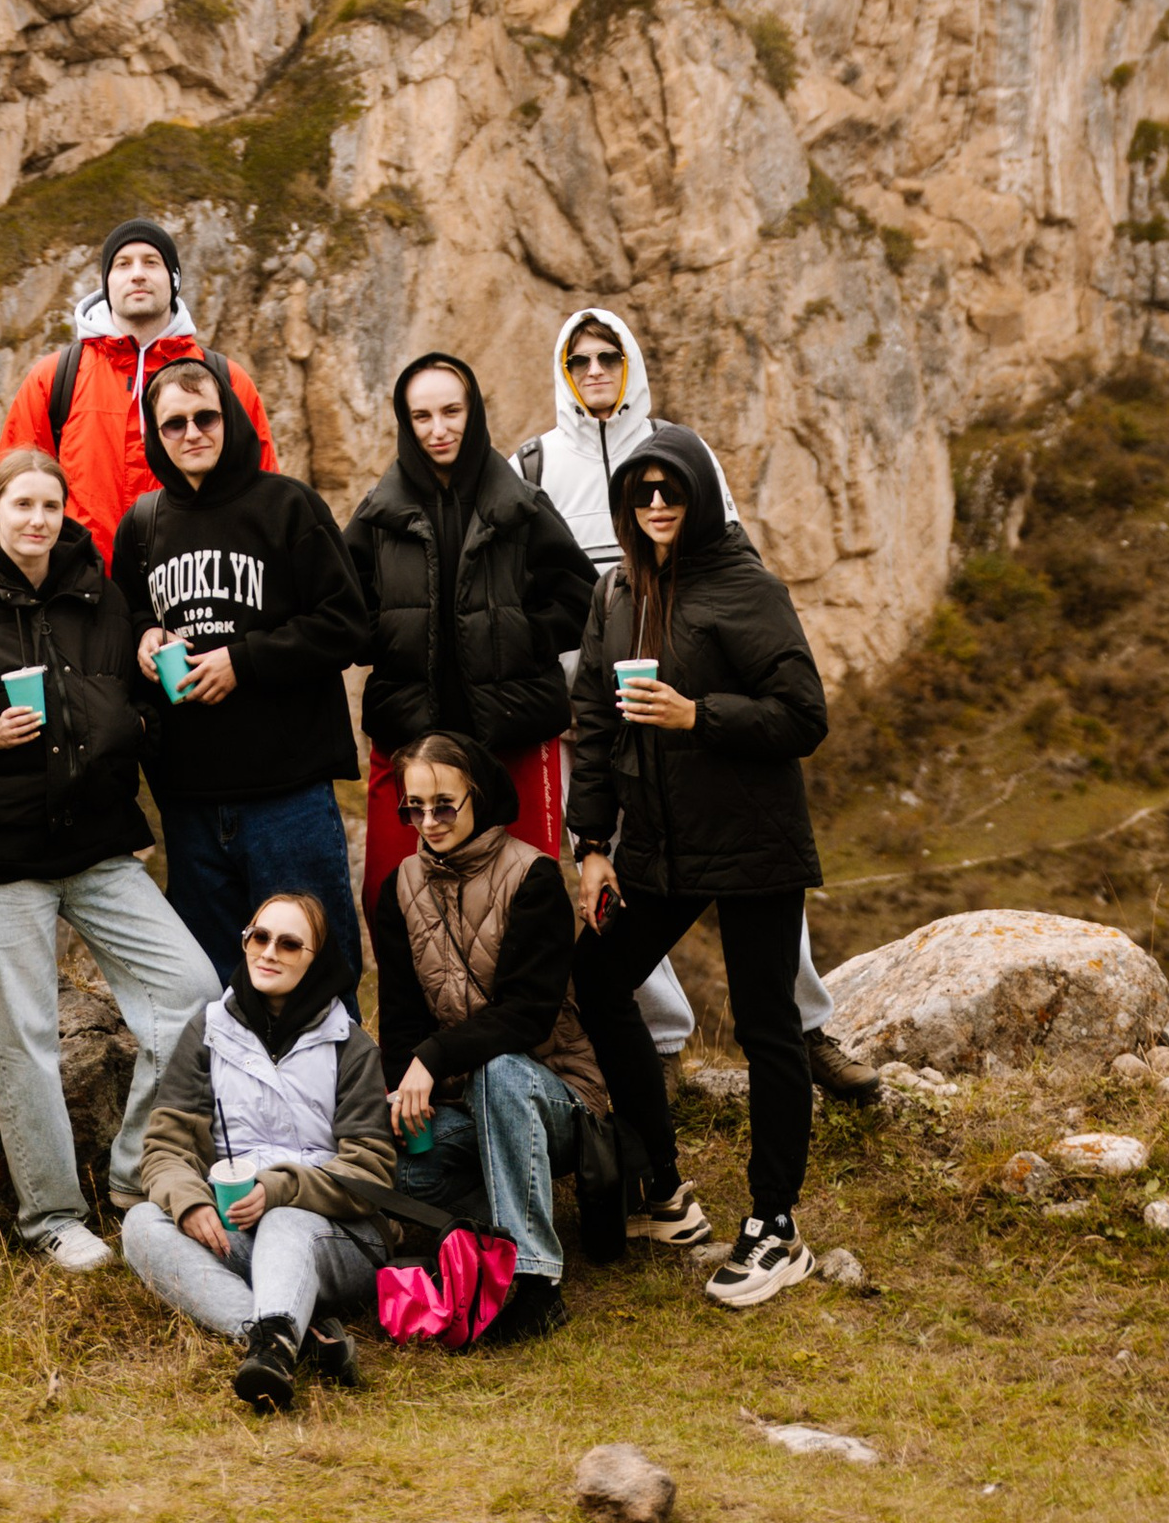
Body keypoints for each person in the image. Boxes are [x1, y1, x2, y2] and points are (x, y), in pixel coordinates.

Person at [521, 305, 877, 1105]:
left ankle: (806, 1028)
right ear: (561, 371)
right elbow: (520, 587)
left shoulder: (680, 451)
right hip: (601, 705)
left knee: (757, 866)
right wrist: (571, 676)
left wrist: (711, 687)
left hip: (693, 698)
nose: (595, 373)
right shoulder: (536, 466)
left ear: (632, 361)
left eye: (608, 356)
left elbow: (737, 567)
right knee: (615, 874)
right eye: (578, 362)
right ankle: (664, 1048)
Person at [0, 444, 217, 1267]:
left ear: (65, 513)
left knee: (192, 992)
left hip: (96, 844)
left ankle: (129, 1176)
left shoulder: (102, 597)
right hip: (3, 858)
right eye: (23, 506)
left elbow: (136, 691)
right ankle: (52, 1219)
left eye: (51, 507)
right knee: (26, 1039)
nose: (38, 521)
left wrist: (144, 717)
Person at [568, 426, 830, 1311]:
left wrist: (697, 716)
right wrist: (592, 844)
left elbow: (802, 713)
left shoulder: (744, 586)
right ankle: (665, 1191)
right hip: (658, 844)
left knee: (767, 1028)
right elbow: (594, 726)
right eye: (640, 494)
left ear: (700, 495)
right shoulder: (617, 592)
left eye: (669, 491)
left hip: (752, 839)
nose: (655, 507)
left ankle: (775, 1227)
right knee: (598, 979)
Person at [111, 358, 366, 980]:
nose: (192, 433)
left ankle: (336, 1082)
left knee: (318, 972)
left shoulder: (288, 506)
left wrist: (244, 662)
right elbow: (122, 627)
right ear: (155, 434)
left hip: (289, 796)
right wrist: (142, 637)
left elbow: (348, 626)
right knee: (217, 984)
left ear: (230, 419)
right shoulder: (141, 527)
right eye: (174, 424)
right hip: (191, 801)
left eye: (206, 417)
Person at [371, 732, 610, 1347]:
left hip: (555, 1097)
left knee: (500, 1069)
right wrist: (403, 1096)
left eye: (443, 805)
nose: (428, 821)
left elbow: (527, 1017)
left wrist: (433, 1057)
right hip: (460, 1111)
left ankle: (533, 1284)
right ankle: (488, 1226)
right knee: (376, 1161)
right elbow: (399, 1020)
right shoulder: (397, 889)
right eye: (413, 808)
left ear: (478, 797)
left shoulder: (532, 877)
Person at [123, 888, 394, 1416]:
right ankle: (287, 1337)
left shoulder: (351, 1046)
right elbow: (164, 1146)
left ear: (317, 962)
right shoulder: (207, 1030)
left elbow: (372, 1170)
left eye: (290, 945)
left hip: (339, 1240)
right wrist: (189, 1201)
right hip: (236, 1228)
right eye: (259, 937)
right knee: (140, 1224)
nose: (268, 953)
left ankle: (277, 1337)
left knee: (283, 1222)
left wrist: (279, 1189)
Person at [346, 351, 592, 919]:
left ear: (473, 412)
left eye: (451, 411)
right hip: (409, 739)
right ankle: (416, 1012)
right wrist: (389, 636)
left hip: (514, 734)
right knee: (391, 896)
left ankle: (527, 1011)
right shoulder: (378, 515)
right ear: (406, 424)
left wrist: (520, 635)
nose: (439, 429)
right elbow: (344, 615)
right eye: (422, 417)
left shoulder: (522, 506)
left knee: (523, 901)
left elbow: (581, 600)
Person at [0, 217, 277, 564]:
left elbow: (265, 498)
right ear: (107, 283)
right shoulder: (53, 378)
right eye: (123, 264)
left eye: (151, 262)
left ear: (173, 279)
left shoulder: (225, 380)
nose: (137, 274)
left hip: (193, 591)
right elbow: (12, 492)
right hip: (80, 591)